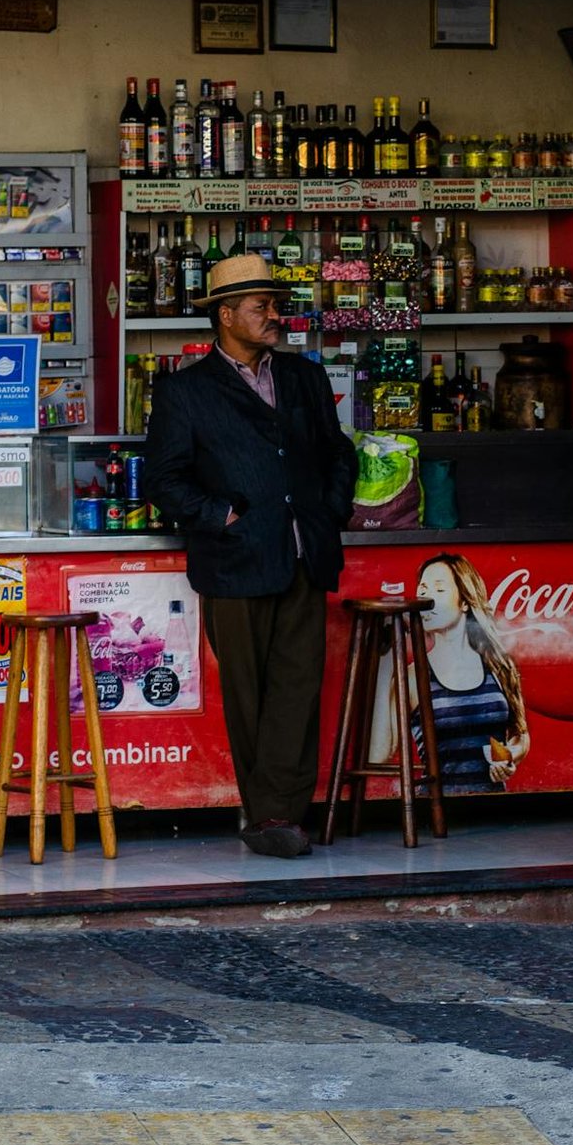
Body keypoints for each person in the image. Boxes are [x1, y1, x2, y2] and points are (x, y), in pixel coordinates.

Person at [145, 253, 357, 858]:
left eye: (275, 305)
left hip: (303, 553)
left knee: (298, 688)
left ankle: (280, 818)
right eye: (260, 307)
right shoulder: (186, 391)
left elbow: (338, 454)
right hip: (236, 560)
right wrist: (223, 517)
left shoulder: (305, 379)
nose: (274, 316)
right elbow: (165, 480)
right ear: (225, 314)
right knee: (249, 693)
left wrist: (329, 511)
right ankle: (267, 814)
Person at [392, 552, 530, 794]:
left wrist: (510, 757)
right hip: (437, 809)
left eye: (439, 589)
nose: (427, 598)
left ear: (465, 602)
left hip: (495, 812)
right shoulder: (414, 676)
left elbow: (521, 734)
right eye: (423, 589)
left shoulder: (499, 665)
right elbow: (381, 750)